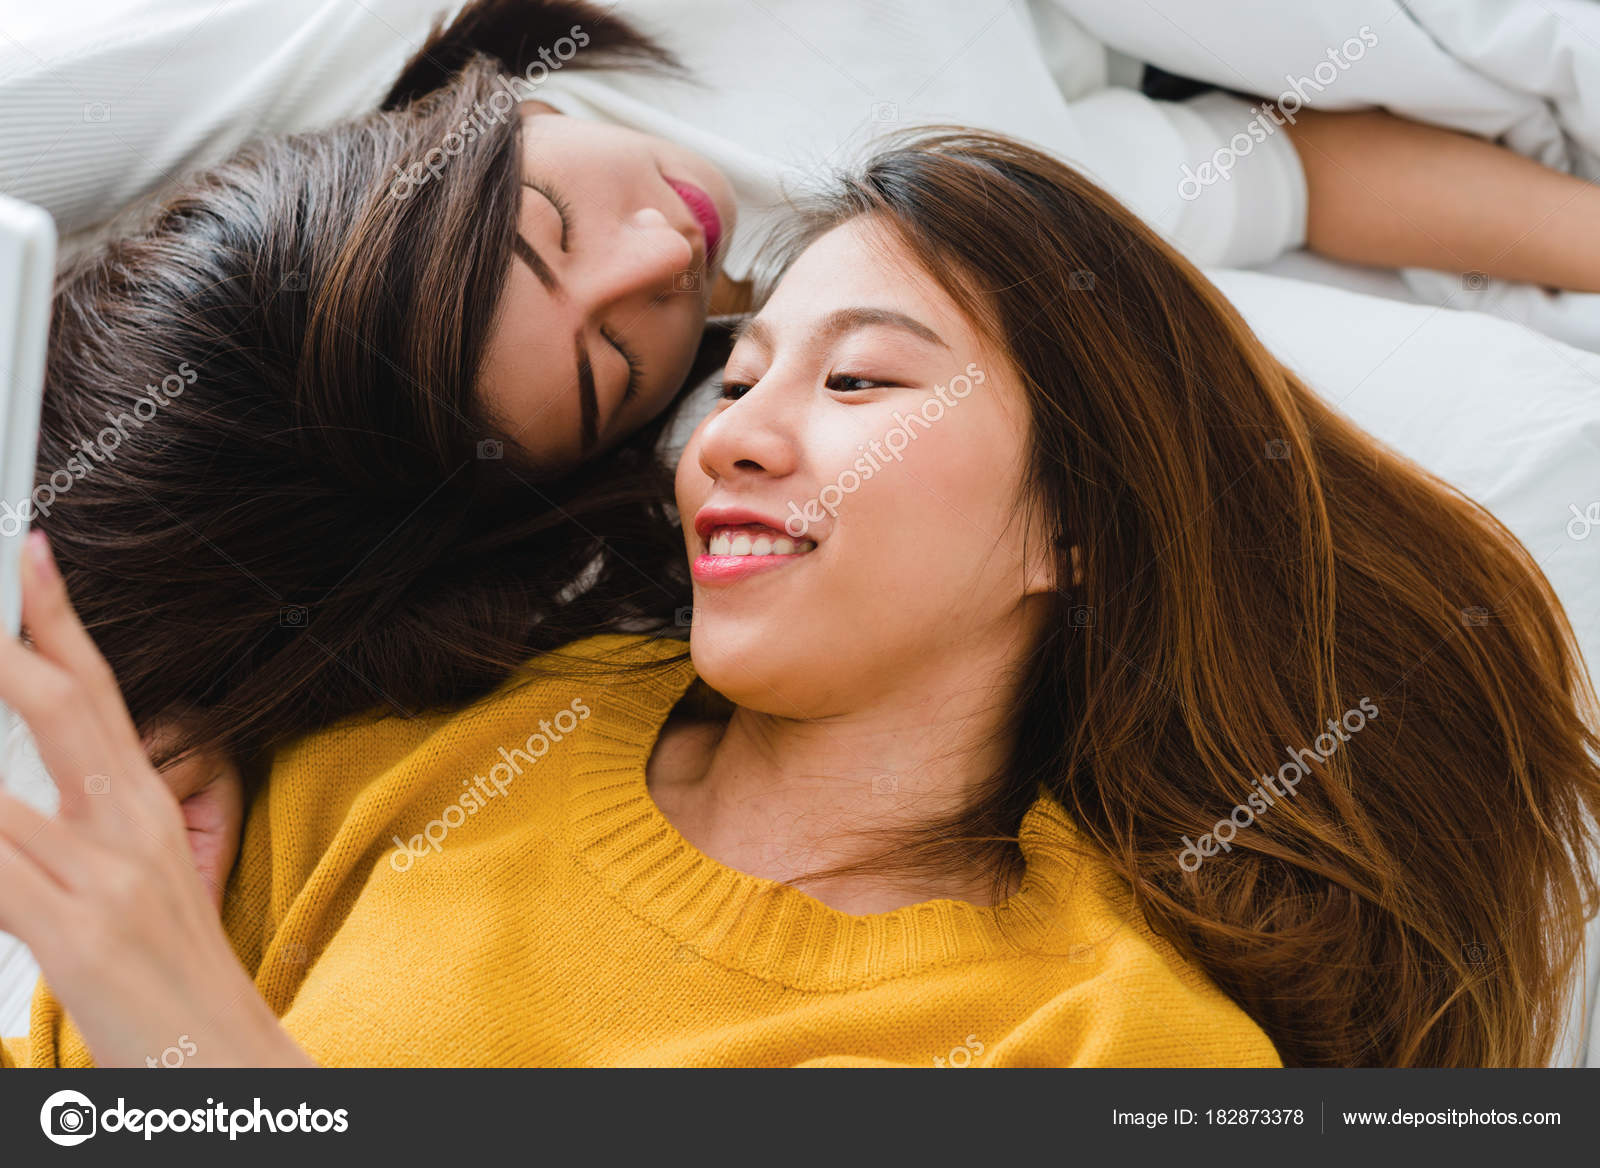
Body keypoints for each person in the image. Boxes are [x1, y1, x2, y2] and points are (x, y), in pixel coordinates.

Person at [4, 131, 1596, 1068]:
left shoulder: (1105, 1042)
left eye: (857, 379)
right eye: (734, 376)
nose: (731, 437)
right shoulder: (405, 760)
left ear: (1082, 526)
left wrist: (200, 1059)